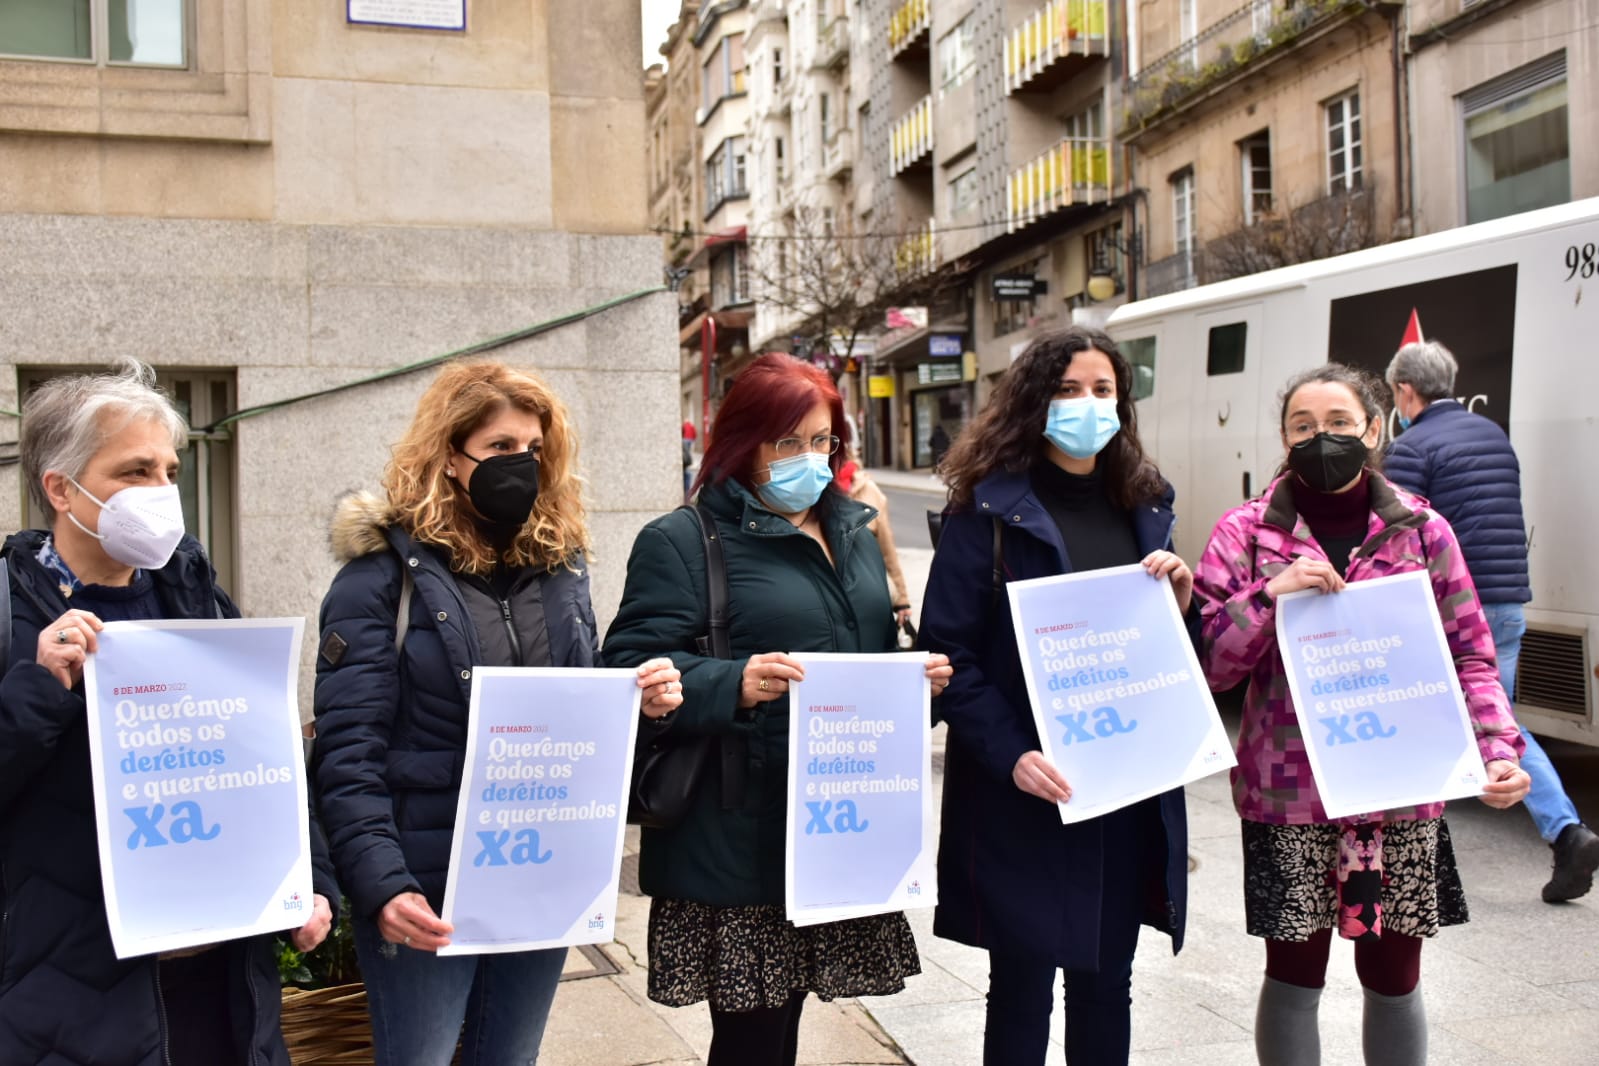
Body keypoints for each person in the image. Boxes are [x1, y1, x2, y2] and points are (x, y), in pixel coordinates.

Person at [312, 361, 682, 1066]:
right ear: (451, 457)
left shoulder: (559, 566)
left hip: (537, 873)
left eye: (534, 449)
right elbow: (346, 751)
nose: (522, 464)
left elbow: (577, 715)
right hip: (427, 883)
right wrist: (380, 884)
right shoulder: (377, 580)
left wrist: (641, 704)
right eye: (501, 447)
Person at [602, 352, 952, 1066]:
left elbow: (863, 658)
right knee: (753, 1039)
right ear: (742, 444)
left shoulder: (852, 533)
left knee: (786, 1026)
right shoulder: (680, 540)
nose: (808, 458)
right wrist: (728, 682)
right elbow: (626, 670)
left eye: (821, 440)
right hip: (739, 834)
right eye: (786, 441)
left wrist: (914, 685)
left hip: (837, 822)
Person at [0, 359, 338, 1066]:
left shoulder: (195, 595)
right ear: (61, 489)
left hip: (221, 985)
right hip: (74, 995)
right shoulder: (12, 616)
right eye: (134, 472)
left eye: (170, 471)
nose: (161, 492)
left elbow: (265, 757)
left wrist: (308, 883)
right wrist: (36, 686)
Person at [1193, 363, 1530, 1066]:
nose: (1322, 438)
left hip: (1398, 793)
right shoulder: (1245, 534)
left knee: (1394, 979)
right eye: (1302, 426)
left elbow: (1469, 653)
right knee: (1292, 977)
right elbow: (1211, 666)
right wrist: (1268, 597)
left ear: (1374, 429)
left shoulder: (1422, 531)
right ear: (1282, 440)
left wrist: (1497, 747)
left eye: (1339, 423)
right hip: (1288, 795)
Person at [918, 326, 1192, 1066]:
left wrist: (1180, 603)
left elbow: (1155, 658)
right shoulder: (987, 509)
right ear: (1035, 402)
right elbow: (949, 654)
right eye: (1068, 389)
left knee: (1107, 983)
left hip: (1120, 787)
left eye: (1102, 390)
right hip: (1028, 788)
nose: (1087, 404)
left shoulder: (1145, 502)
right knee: (1021, 987)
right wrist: (1011, 755)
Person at [1385, 339, 1599, 903]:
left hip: (1455, 608)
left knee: (1483, 722)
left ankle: (1564, 831)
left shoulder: (1410, 447)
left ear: (1406, 391)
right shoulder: (1493, 435)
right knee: (1494, 717)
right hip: (1506, 602)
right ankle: (1560, 833)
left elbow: (1395, 540)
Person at [837, 445, 913, 628]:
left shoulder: (869, 491)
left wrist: (901, 599)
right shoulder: (810, 493)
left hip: (868, 600)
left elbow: (887, 548)